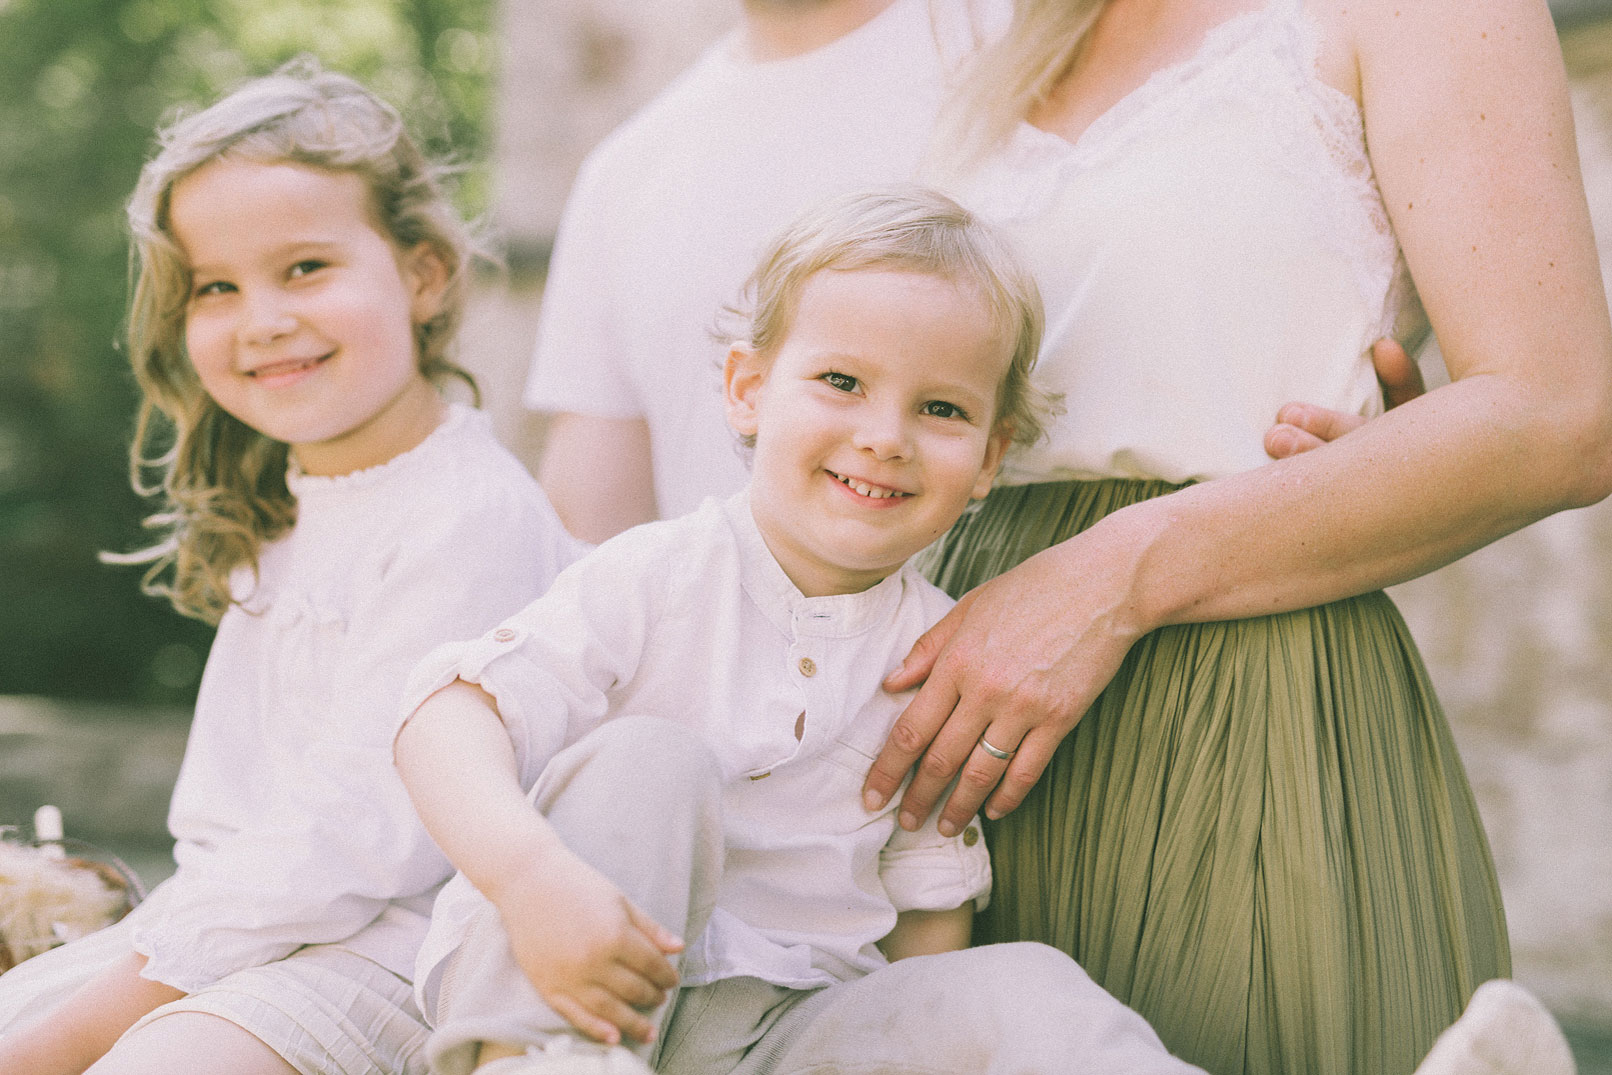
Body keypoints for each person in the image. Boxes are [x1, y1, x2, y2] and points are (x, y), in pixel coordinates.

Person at [847, 1, 1612, 1072]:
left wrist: (1110, 576)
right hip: (959, 729)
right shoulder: (994, 33)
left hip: (1237, 700)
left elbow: (1558, 413)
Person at [392, 188, 1222, 1075]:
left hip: (787, 1034)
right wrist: (529, 880)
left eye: (940, 409)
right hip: (582, 985)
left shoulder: (943, 657)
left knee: (1025, 987)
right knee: (649, 761)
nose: (885, 437)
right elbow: (444, 718)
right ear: (749, 391)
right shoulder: (660, 575)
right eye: (842, 382)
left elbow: (927, 911)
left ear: (987, 457)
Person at [0, 63, 580, 1075]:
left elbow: (354, 839)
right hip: (239, 942)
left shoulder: (467, 518)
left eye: (304, 267)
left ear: (424, 274)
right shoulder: (286, 517)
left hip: (394, 959)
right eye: (216, 287)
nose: (260, 316)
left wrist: (78, 1029)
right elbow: (233, 837)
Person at [525, 0, 1409, 545]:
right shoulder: (623, 174)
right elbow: (590, 537)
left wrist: (1345, 442)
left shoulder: (1037, 46)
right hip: (742, 757)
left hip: (996, 689)